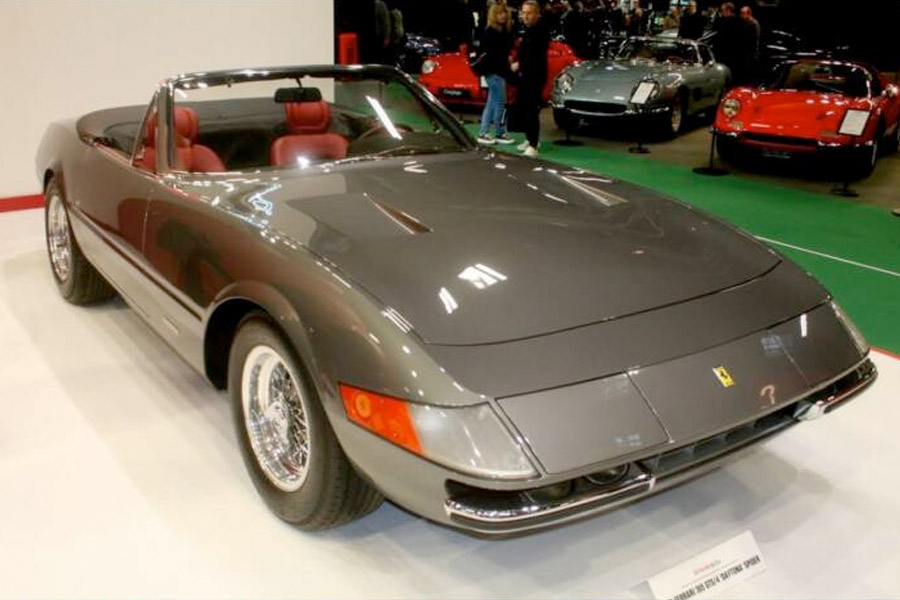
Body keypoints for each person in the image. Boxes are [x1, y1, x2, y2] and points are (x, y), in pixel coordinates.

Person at [510, 0, 549, 157]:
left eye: (529, 13)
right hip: (526, 75)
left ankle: (533, 145)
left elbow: (534, 56)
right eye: (523, 13)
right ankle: (529, 138)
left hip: (534, 76)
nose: (525, 16)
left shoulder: (540, 31)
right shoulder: (528, 30)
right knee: (525, 108)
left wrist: (519, 64)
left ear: (537, 14)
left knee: (531, 109)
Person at [477, 3, 515, 145]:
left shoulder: (501, 31)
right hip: (495, 71)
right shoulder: (491, 33)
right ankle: (497, 132)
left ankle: (485, 132)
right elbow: (495, 54)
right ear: (494, 15)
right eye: (500, 13)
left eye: (504, 12)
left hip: (496, 71)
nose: (503, 15)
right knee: (499, 103)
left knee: (492, 102)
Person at [712, 2, 741, 84]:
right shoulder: (720, 20)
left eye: (723, 10)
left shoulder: (736, 21)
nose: (721, 12)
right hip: (720, 51)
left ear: (729, 10)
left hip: (731, 52)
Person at [740, 5, 761, 84]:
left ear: (748, 14)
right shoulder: (745, 23)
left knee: (750, 74)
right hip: (747, 52)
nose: (741, 15)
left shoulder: (753, 24)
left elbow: (752, 39)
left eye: (743, 13)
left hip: (751, 52)